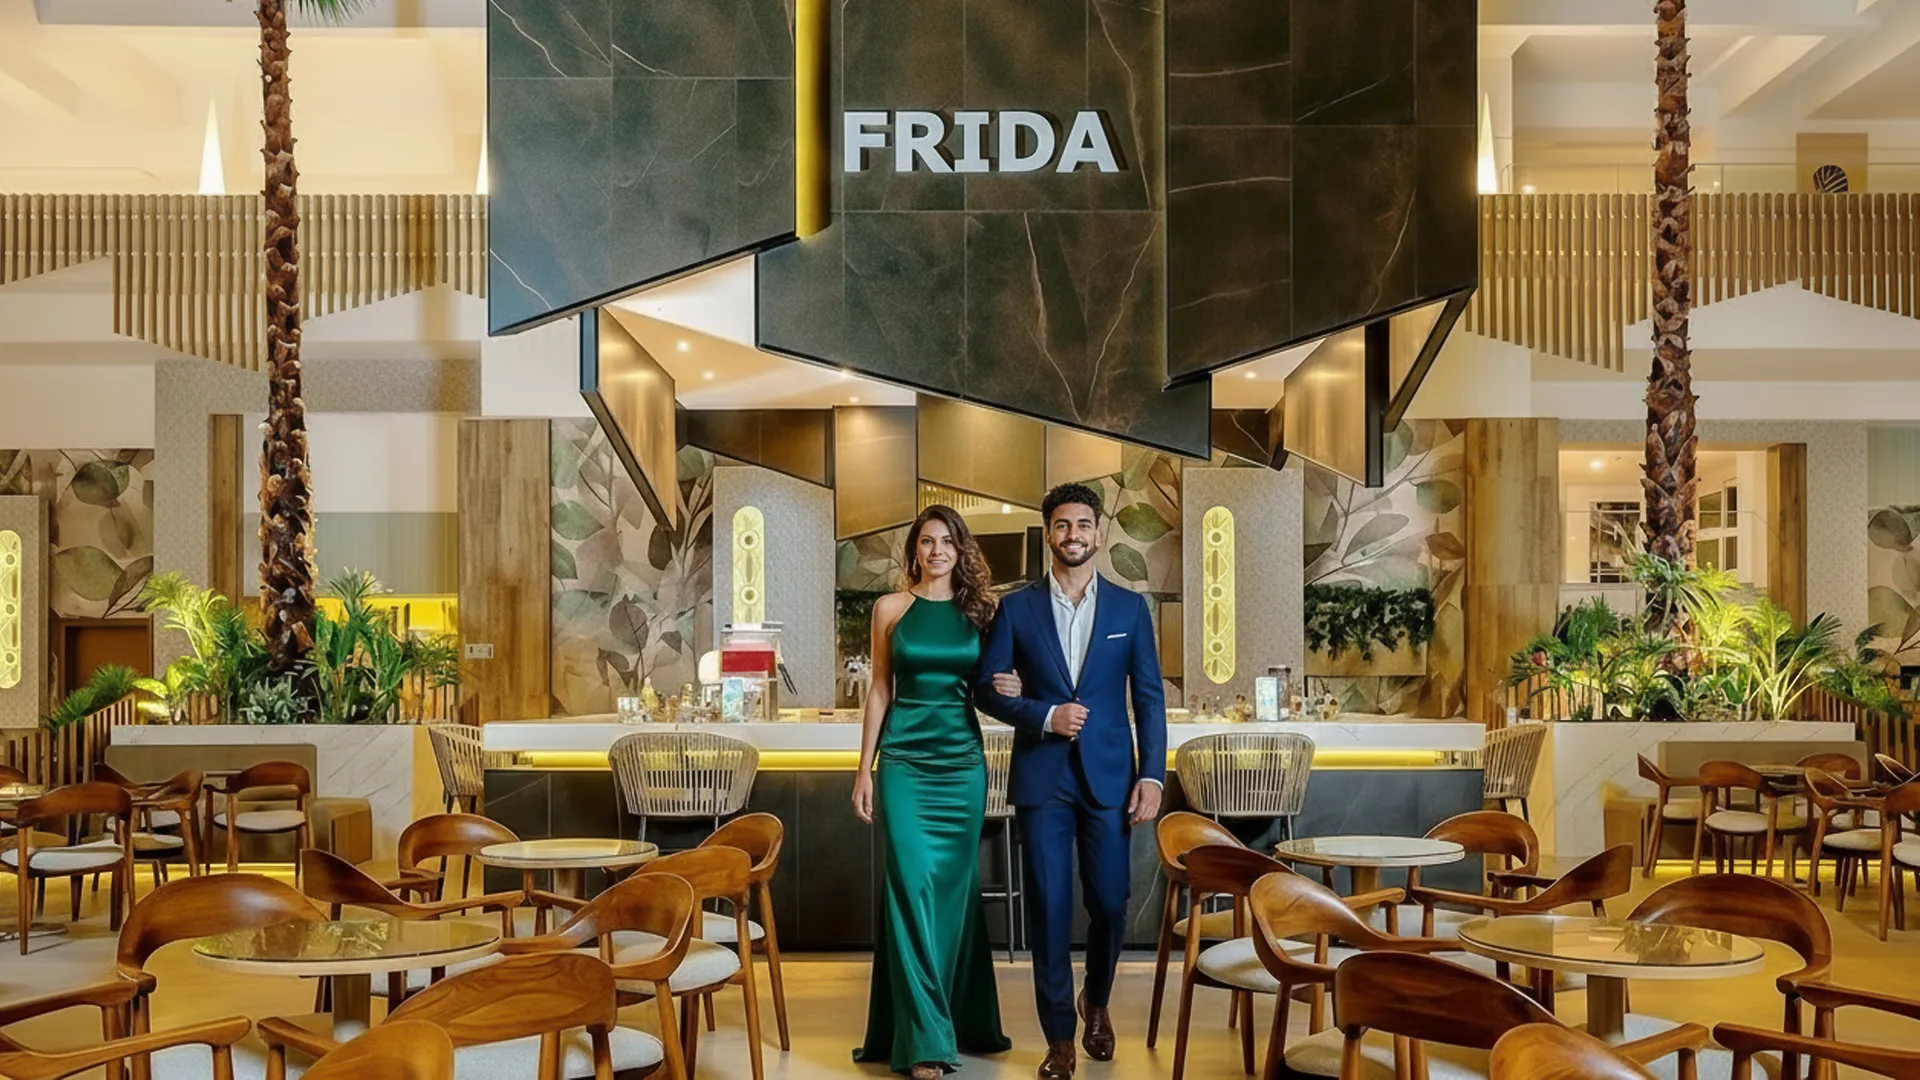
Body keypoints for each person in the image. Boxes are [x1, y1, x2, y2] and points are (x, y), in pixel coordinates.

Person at [975, 482, 1168, 1080]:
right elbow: (985, 686)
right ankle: (1060, 1037)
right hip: (1043, 781)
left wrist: (1153, 775)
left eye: (1083, 525)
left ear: (1098, 534)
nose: (1073, 535)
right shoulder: (1016, 607)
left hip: (1111, 779)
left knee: (1111, 902)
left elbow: (1150, 699)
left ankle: (1098, 1000)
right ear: (1049, 534)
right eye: (1062, 526)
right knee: (1050, 910)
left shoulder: (1129, 609)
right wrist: (1041, 713)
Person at [852, 505, 1016, 1078]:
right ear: (915, 550)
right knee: (910, 887)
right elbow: (878, 689)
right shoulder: (890, 609)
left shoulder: (983, 613)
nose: (937, 550)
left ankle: (954, 1016)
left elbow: (999, 683)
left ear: (960, 548)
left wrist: (1013, 682)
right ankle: (925, 1039)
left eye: (947, 541)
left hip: (962, 766)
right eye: (927, 541)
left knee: (952, 893)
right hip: (903, 762)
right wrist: (863, 769)